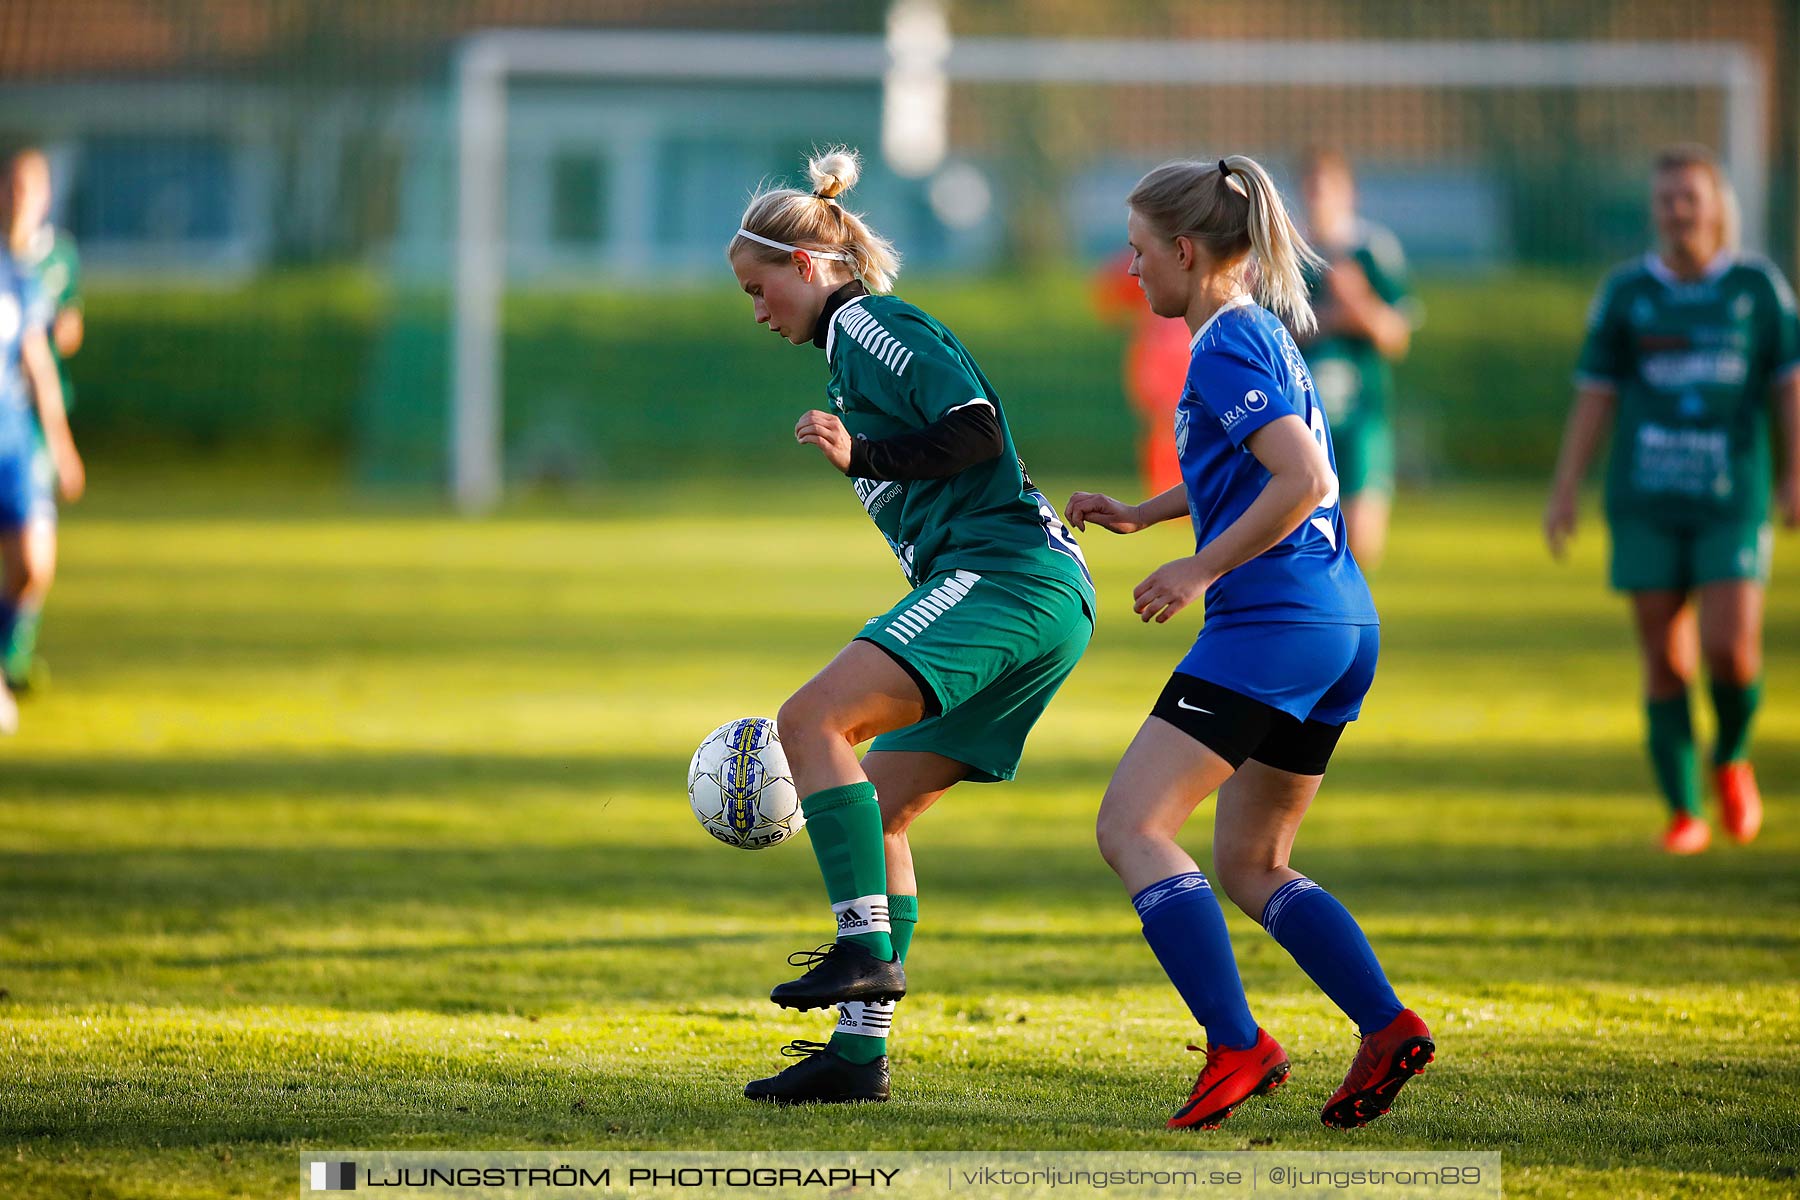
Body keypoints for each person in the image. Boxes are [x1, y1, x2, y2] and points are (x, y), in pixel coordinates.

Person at [1065, 154, 1431, 1132]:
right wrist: (1146, 516)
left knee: (1132, 827)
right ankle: (1387, 1026)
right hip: (1339, 622)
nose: (1131, 268)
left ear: (1185, 250)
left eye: (1140, 251)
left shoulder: (1222, 346)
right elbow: (1247, 462)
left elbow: (1303, 476)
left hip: (1273, 623)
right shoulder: (1254, 329)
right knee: (1252, 863)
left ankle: (1239, 1045)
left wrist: (1199, 570)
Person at [725, 147, 1096, 1105]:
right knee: (878, 809)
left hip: (1008, 575)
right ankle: (857, 1061)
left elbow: (976, 426)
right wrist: (866, 450)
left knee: (809, 724)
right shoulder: (850, 357)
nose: (757, 310)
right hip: (1031, 592)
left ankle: (860, 950)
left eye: (760, 288)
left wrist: (864, 451)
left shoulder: (873, 325)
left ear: (807, 267)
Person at [1546, 144, 1798, 855]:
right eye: (1666, 200)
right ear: (1654, 210)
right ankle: (1685, 812)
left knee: (1730, 649)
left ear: (1717, 206)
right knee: (1664, 658)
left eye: (1691, 198)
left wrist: (1795, 471)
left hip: (1731, 496)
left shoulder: (1756, 288)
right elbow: (1596, 395)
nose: (1678, 211)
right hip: (1646, 497)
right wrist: (1565, 488)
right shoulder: (1627, 293)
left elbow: (1788, 382)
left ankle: (1732, 757)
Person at [1297, 149, 1414, 571]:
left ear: (1349, 194)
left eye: (1326, 190)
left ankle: (1348, 626)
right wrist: (1329, 318)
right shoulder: (1294, 254)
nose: (1317, 200)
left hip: (1363, 415)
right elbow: (1275, 334)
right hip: (1304, 419)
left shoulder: (1371, 250)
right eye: (1310, 190)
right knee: (1306, 541)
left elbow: (1395, 337)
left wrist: (1357, 303)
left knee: (1363, 542)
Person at [0, 149, 83, 734]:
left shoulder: (35, 268)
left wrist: (60, 442)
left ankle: (9, 658)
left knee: (34, 566)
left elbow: (38, 357)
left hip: (13, 437)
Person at [1092, 247, 1190, 495]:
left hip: (1183, 357)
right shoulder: (1150, 255)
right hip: (1162, 359)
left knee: (1182, 427)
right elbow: (1107, 296)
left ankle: (1181, 495)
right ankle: (1168, 494)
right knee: (1165, 428)